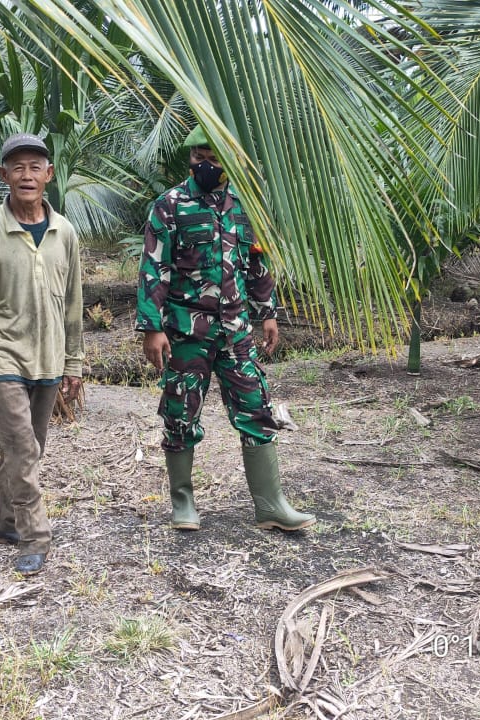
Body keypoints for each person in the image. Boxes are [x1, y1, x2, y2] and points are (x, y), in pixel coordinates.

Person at [136, 126, 315, 532]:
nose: (207, 164)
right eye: (200, 155)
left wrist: (266, 312)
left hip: (236, 331)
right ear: (190, 158)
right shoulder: (170, 205)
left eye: (215, 157)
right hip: (186, 330)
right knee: (181, 413)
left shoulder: (243, 207)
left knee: (257, 409)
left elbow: (256, 263)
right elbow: (153, 267)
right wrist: (151, 326)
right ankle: (183, 503)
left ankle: (271, 505)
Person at [0, 132, 84, 575]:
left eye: (35, 167)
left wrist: (75, 363)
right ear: (4, 176)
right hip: (4, 358)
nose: (27, 175)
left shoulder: (64, 232)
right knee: (22, 448)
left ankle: (3, 518)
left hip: (50, 358)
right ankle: (35, 536)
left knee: (26, 448)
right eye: (18, 167)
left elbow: (74, 303)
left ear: (49, 175)